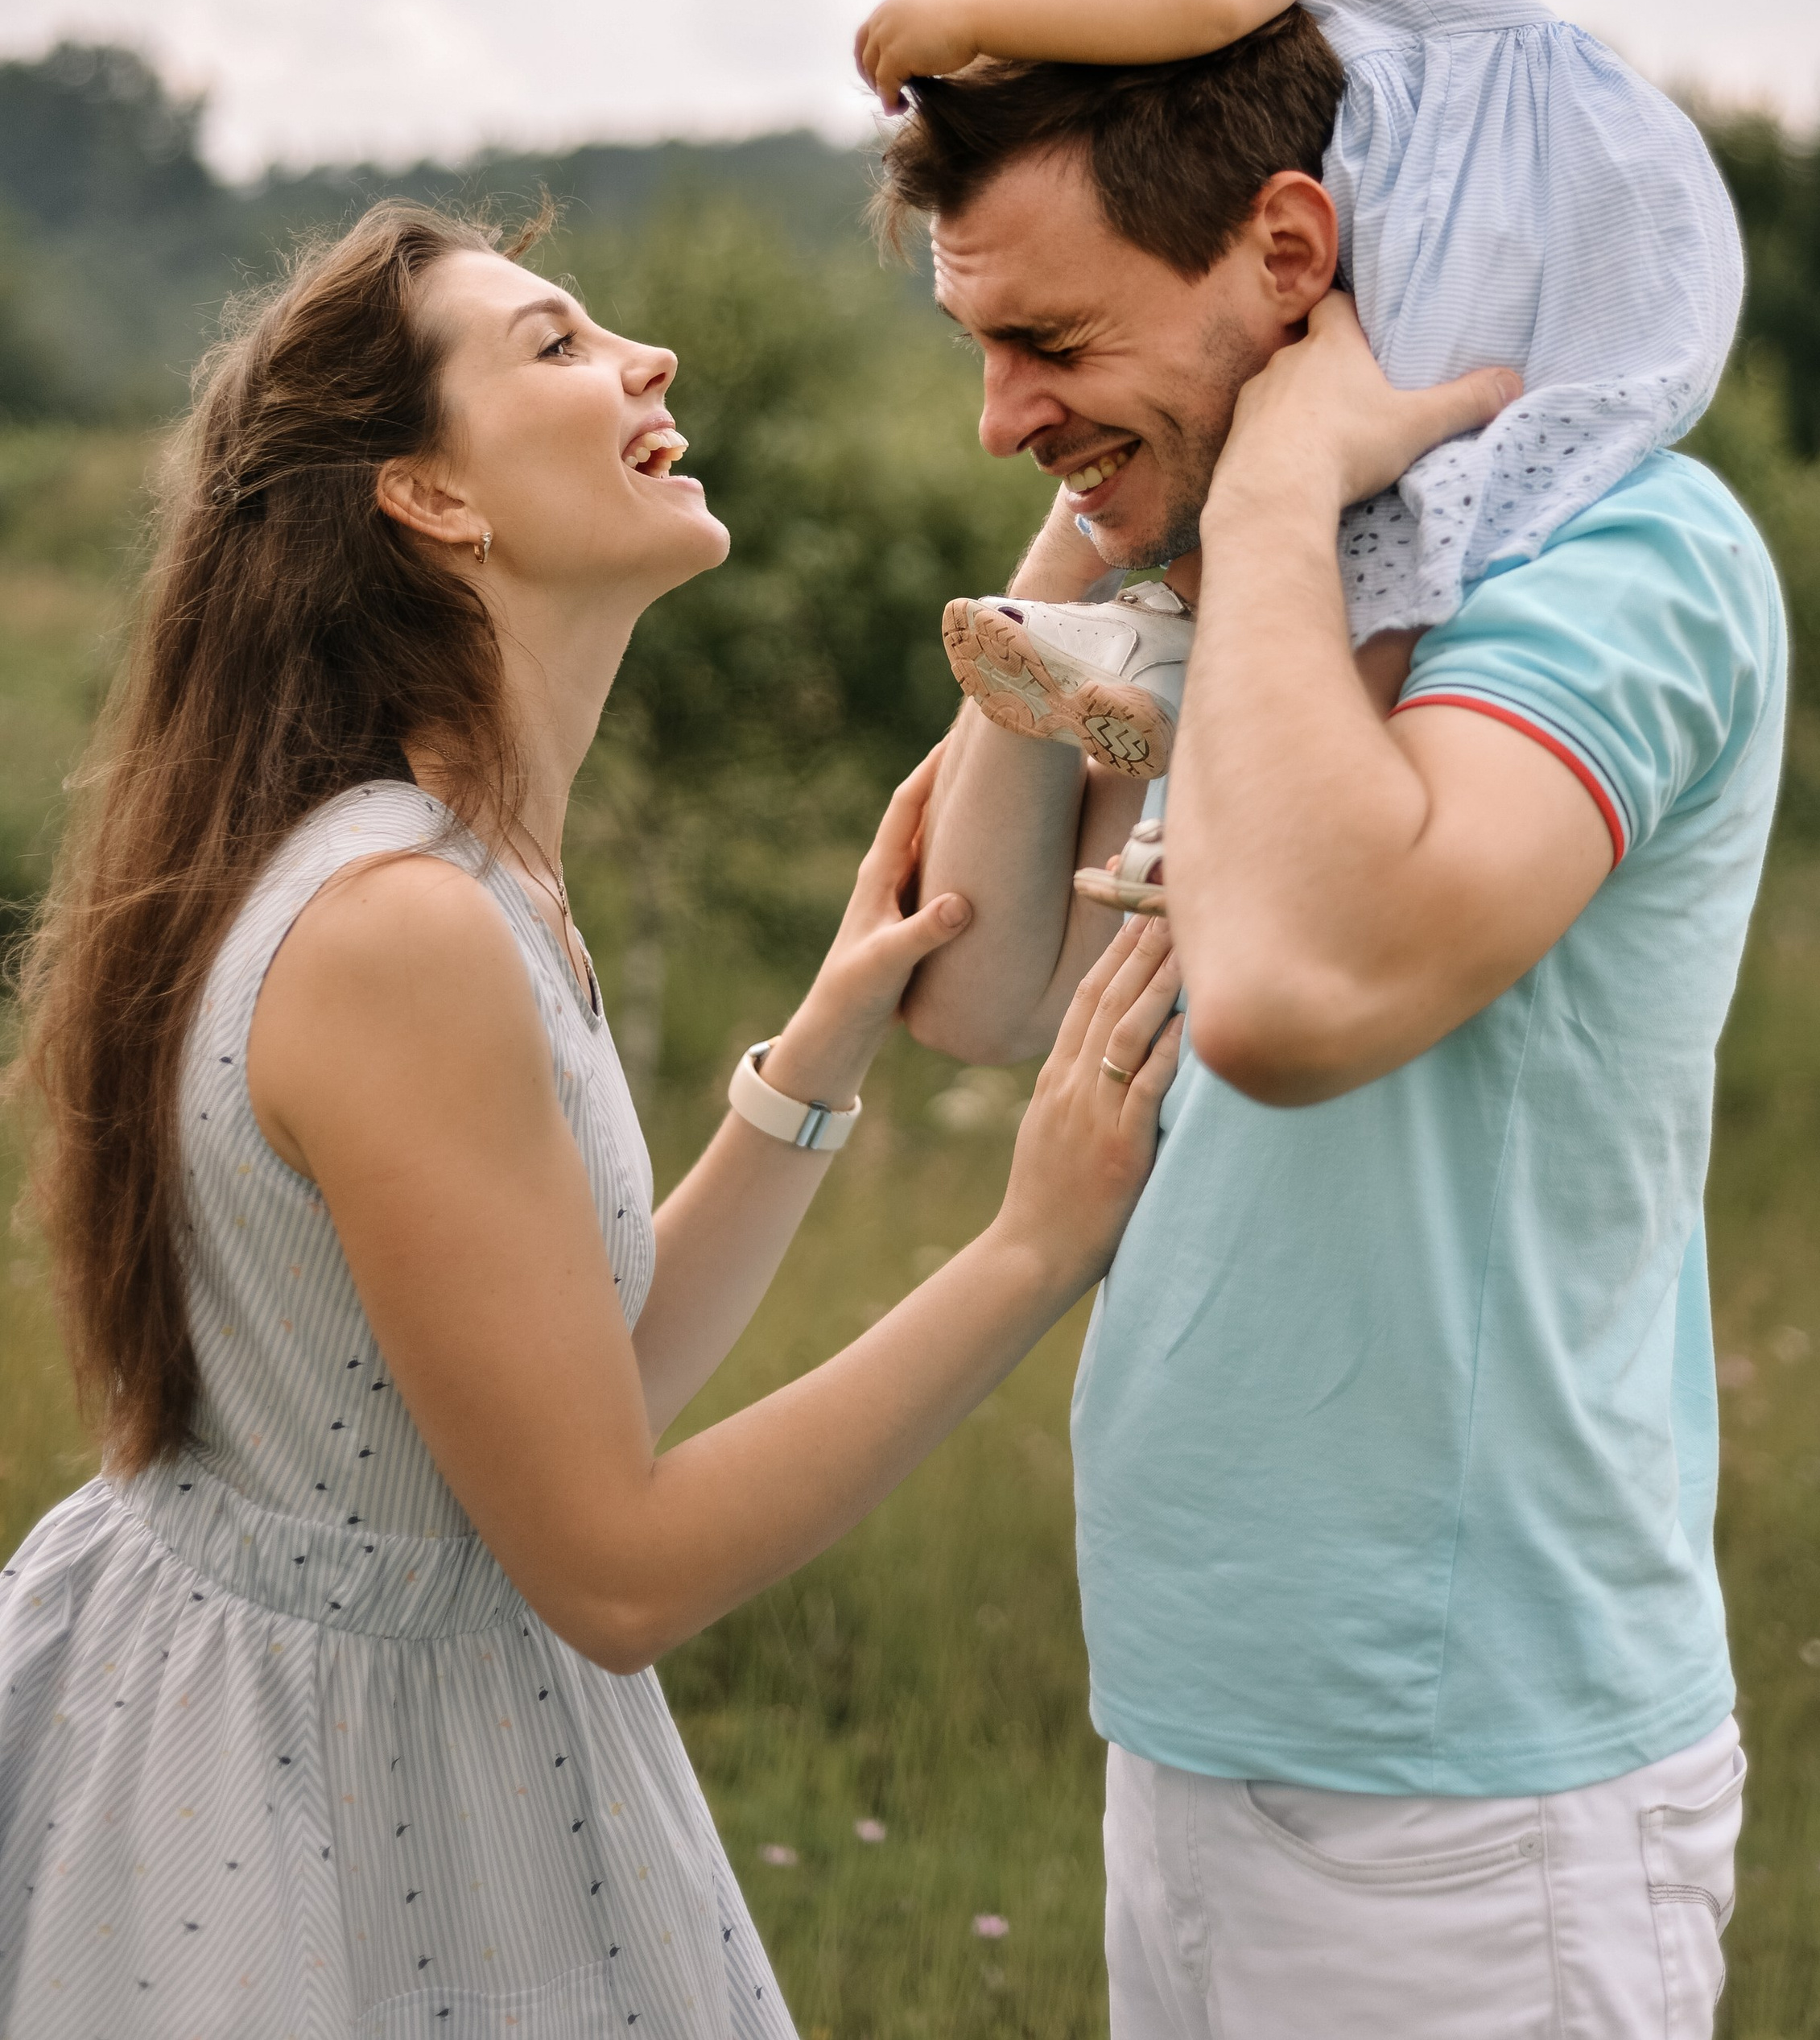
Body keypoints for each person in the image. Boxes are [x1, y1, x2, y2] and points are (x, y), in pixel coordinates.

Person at [0, 200, 1184, 2040]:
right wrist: (1032, 1243)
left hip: (356, 1724)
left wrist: (809, 1068)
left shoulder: (464, 873)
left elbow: (579, 1403)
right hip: (309, 1802)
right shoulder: (398, 930)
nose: (650, 357)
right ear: (430, 499)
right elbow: (612, 1565)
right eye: (552, 345)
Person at [876, 0, 1786, 2026]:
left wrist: (1271, 492)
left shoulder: (1626, 561)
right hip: (1197, 1712)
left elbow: (1287, 1003)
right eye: (979, 346)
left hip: (1478, 1790)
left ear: (1292, 252)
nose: (1001, 408)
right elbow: (980, 981)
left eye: (1053, 342)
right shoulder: (1254, 581)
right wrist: (1117, 493)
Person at [858, 0, 1741, 795]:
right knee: (1360, 479)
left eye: (1026, 5)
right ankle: (1180, 672)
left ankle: (1290, 765)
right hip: (1446, 221)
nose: (1041, 57)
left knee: (1420, 485)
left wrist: (973, 23)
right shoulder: (1284, 44)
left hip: (1519, 233)